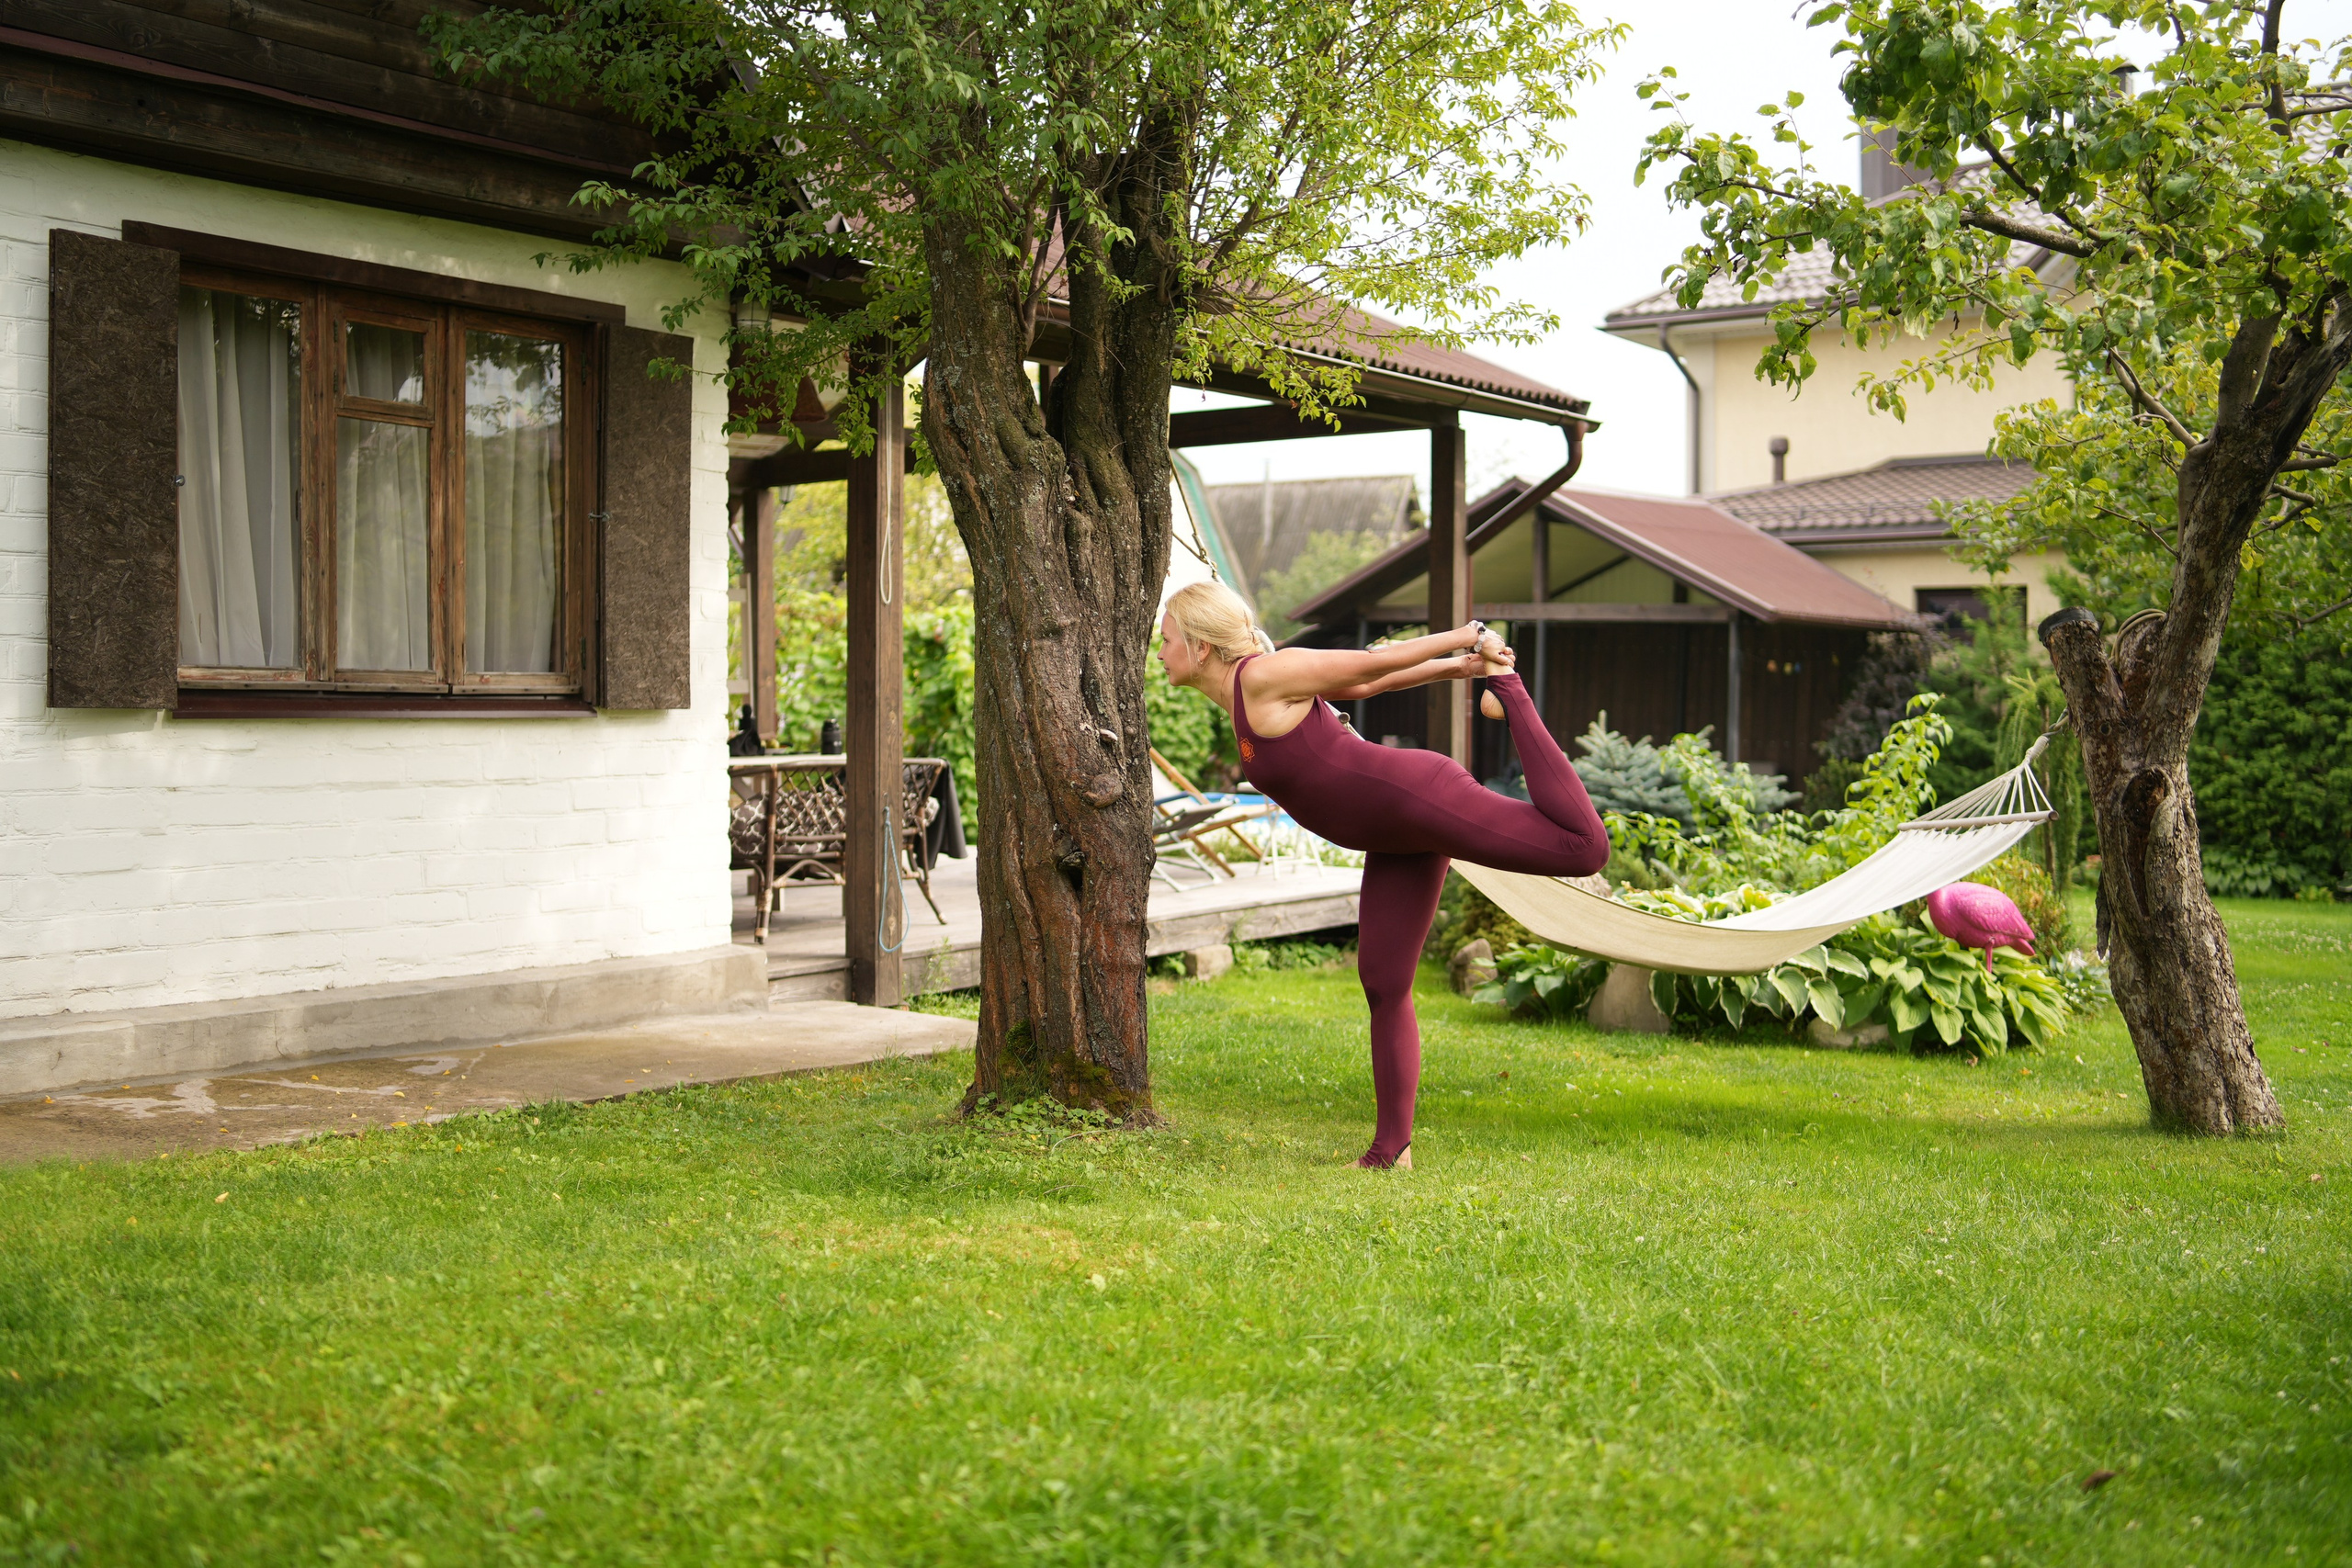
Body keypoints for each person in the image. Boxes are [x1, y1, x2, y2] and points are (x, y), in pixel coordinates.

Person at [1158, 580, 1609, 1168]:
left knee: (1582, 848)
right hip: (1393, 838)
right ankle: (1390, 1150)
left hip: (1418, 798)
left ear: (1200, 647)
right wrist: (1460, 667)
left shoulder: (1262, 676)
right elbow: (1373, 680)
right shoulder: (1245, 694)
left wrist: (1469, 640)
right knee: (1384, 982)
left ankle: (1513, 692)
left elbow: (1376, 663)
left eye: (1165, 640)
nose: (1159, 652)